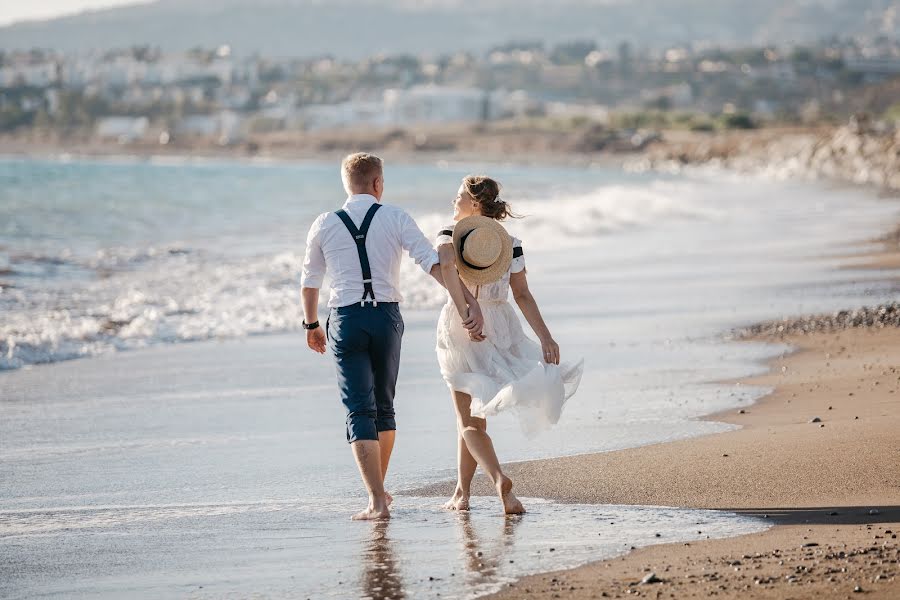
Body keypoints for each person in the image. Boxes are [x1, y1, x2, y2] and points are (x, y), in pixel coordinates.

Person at [300, 153, 484, 520]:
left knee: (359, 410)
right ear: (378, 184)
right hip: (387, 318)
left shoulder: (324, 223)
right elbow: (433, 263)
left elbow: (310, 281)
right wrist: (467, 304)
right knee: (384, 409)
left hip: (347, 319)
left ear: (346, 184)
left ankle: (377, 502)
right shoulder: (395, 216)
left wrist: (311, 325)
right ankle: (379, 491)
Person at [436, 175, 584, 515]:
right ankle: (462, 493)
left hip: (463, 324)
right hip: (503, 326)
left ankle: (499, 478)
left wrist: (465, 312)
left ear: (473, 204)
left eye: (458, 196)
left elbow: (445, 266)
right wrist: (546, 337)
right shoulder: (511, 243)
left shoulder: (450, 234)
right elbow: (522, 295)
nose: (453, 202)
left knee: (468, 421)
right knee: (473, 416)